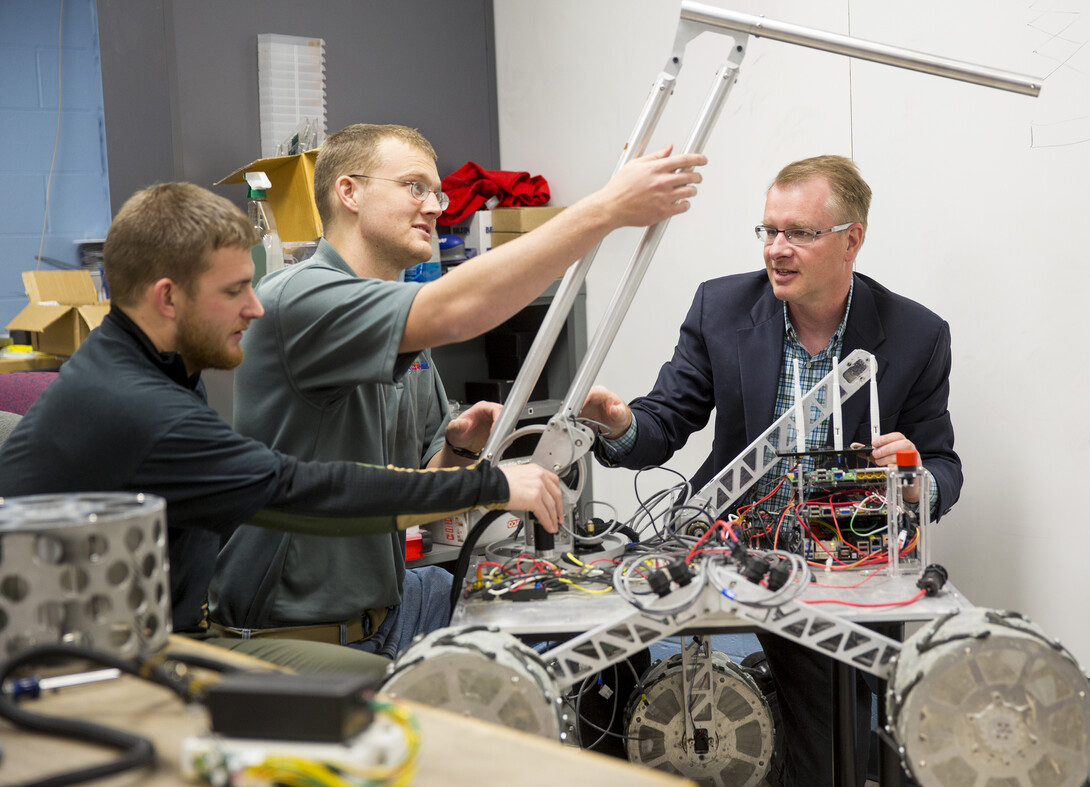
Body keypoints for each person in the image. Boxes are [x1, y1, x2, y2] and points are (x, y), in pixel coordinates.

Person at [0, 182, 566, 677]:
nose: (254, 308)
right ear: (167, 298)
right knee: (402, 697)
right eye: (233, 291)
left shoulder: (146, 366)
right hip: (102, 664)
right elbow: (307, 491)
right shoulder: (142, 408)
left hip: (156, 633)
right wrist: (491, 484)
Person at [209, 123, 707, 658]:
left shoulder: (405, 328)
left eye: (438, 192)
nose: (436, 207)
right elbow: (455, 311)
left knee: (565, 636)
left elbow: (420, 490)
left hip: (391, 610)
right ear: (348, 192)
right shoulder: (298, 297)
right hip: (294, 632)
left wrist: (461, 447)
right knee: (473, 719)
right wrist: (605, 210)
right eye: (414, 187)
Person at [581, 155, 962, 786]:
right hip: (730, 552)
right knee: (619, 670)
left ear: (852, 240)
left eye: (800, 233)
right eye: (769, 231)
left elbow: (941, 462)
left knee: (823, 734)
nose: (777, 250)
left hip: (843, 567)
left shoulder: (916, 333)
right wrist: (619, 424)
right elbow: (665, 421)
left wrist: (916, 479)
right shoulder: (721, 307)